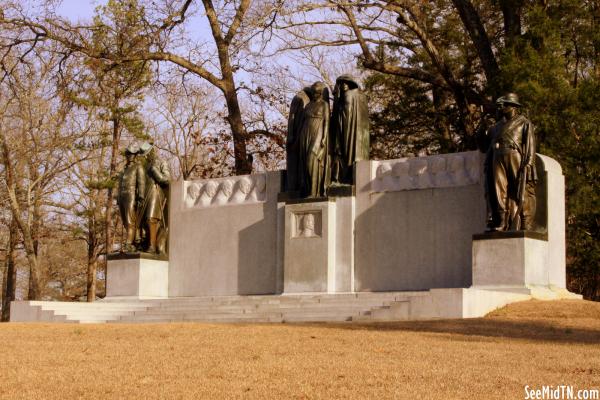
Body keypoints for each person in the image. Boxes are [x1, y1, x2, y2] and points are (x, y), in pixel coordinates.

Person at [481, 93, 537, 231]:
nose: (502, 107)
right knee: (499, 190)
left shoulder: (524, 122)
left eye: (505, 104)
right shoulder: (496, 126)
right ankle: (501, 221)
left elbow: (530, 145)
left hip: (514, 156)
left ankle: (526, 222)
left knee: (521, 189)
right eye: (501, 105)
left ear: (513, 107)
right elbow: (483, 146)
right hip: (497, 156)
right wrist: (483, 127)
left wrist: (528, 162)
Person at [330, 75, 370, 184]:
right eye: (341, 83)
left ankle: (347, 176)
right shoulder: (356, 97)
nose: (343, 85)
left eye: (345, 83)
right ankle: (343, 176)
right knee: (343, 152)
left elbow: (347, 113)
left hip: (349, 128)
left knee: (347, 151)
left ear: (350, 84)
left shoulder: (351, 95)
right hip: (348, 128)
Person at [298, 82, 330, 198]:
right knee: (305, 163)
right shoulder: (308, 106)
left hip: (318, 132)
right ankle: (308, 190)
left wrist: (324, 138)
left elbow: (327, 122)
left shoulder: (324, 104)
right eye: (313, 92)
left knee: (312, 160)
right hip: (305, 134)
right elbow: (301, 122)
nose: (315, 94)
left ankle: (314, 192)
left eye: (317, 92)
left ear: (320, 93)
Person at [142, 144, 171, 254]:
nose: (145, 157)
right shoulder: (144, 166)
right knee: (143, 222)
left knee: (151, 219)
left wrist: (155, 171)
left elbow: (167, 179)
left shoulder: (161, 162)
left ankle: (152, 246)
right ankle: (144, 244)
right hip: (145, 195)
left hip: (155, 192)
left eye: (146, 155)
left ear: (152, 152)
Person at [117, 143, 146, 252]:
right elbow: (119, 185)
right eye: (128, 153)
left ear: (135, 155)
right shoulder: (124, 169)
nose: (130, 156)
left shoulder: (138, 167)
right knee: (125, 221)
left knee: (130, 221)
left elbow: (141, 183)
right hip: (122, 197)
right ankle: (130, 241)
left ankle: (129, 243)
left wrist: (141, 197)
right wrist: (118, 198)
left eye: (132, 154)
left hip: (131, 195)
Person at [286, 87, 312, 193]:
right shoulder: (299, 97)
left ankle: (299, 185)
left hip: (303, 135)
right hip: (298, 134)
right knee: (295, 161)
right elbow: (292, 117)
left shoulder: (307, 99)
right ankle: (294, 186)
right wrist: (291, 135)